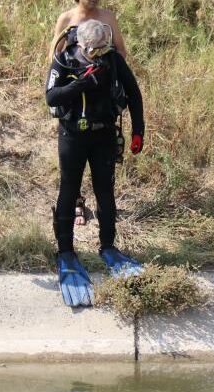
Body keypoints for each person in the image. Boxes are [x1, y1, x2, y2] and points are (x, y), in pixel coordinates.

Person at [45, 18, 144, 281]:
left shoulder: (112, 59)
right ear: (82, 44)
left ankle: (108, 246)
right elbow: (51, 97)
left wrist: (138, 132)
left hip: (103, 135)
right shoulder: (65, 60)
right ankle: (65, 250)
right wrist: (80, 84)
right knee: (68, 189)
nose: (101, 55)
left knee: (105, 190)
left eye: (104, 48)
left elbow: (134, 93)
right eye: (96, 50)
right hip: (72, 136)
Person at [50, 0, 129, 229]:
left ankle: (105, 223)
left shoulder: (108, 17)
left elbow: (121, 52)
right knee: (71, 171)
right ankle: (76, 203)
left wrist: (109, 71)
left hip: (102, 106)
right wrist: (73, 82)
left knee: (103, 174)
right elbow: (54, 57)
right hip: (74, 104)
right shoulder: (66, 19)